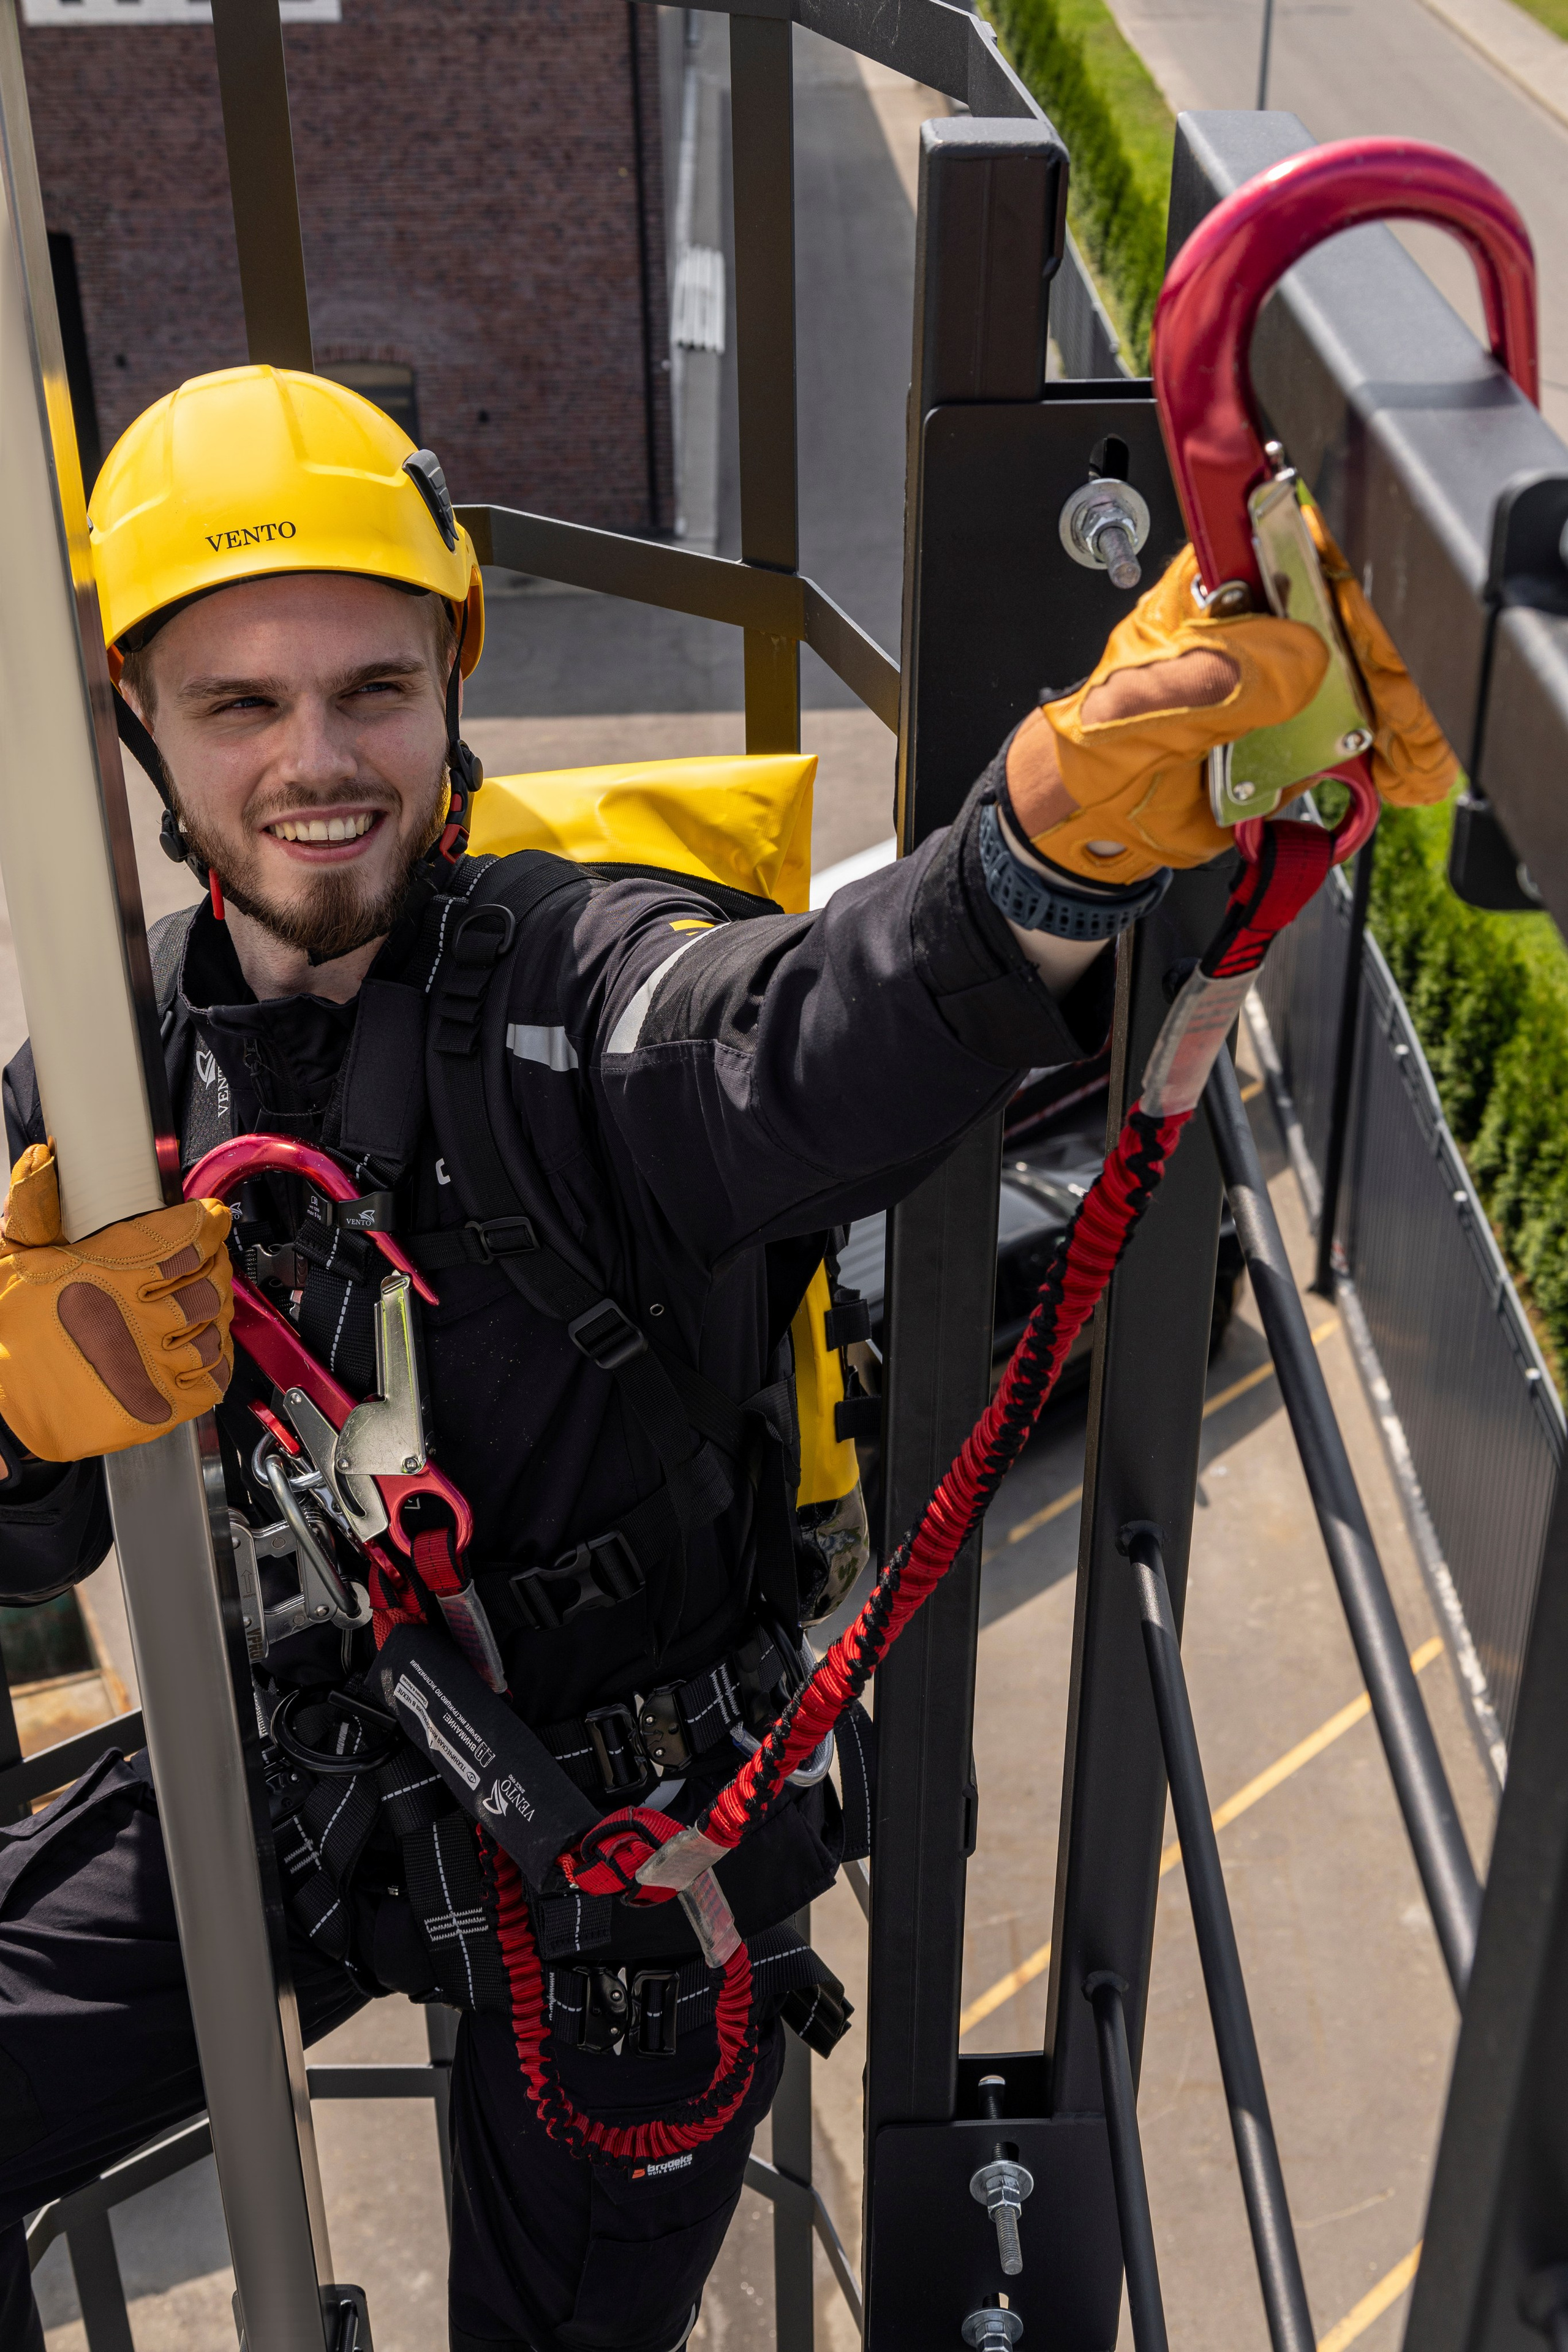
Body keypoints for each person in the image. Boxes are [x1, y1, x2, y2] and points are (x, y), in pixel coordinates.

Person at [0, 367, 1453, 2352]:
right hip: (310, 1778)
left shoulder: (564, 992)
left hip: (613, 1851)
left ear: (452, 693)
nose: (316, 763)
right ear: (142, 735)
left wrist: (1046, 843)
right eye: (239, 706)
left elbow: (786, 1040)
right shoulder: (105, 1080)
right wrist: (11, 1418)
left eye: (373, 692)